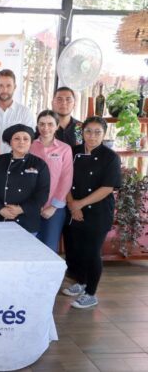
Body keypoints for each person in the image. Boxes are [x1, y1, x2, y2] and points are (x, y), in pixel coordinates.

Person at [62, 117, 121, 309]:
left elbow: (107, 188)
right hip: (73, 207)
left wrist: (79, 204)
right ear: (82, 132)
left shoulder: (110, 157)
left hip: (98, 211)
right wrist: (72, 204)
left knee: (92, 252)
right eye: (88, 131)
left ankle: (91, 293)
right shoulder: (73, 152)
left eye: (97, 132)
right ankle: (81, 281)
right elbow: (65, 179)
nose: (92, 136)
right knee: (75, 249)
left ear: (104, 134)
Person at [0, 124, 50, 234]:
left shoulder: (40, 164)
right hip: (1, 219)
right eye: (16, 138)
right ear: (10, 142)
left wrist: (21, 209)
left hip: (28, 221)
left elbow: (42, 193)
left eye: (25, 139)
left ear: (31, 142)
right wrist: (0, 209)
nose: (21, 142)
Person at [29, 110, 73, 253]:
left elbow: (66, 179)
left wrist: (53, 206)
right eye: (42, 124)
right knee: (29, 247)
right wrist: (31, 205)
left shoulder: (65, 149)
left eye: (50, 124)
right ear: (37, 126)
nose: (45, 128)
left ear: (57, 126)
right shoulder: (29, 146)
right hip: (30, 207)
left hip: (54, 208)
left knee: (49, 248)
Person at [0, 69, 36, 154]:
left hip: (16, 161)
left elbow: (29, 141)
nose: (4, 90)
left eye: (8, 86)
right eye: (1, 86)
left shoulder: (25, 113)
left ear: (14, 87)